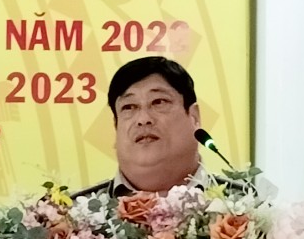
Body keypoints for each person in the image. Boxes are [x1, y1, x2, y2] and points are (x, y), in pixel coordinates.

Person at [75, 57, 209, 197]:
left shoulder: (226, 204)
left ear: (194, 117)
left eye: (158, 102)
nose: (143, 119)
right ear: (116, 126)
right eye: (129, 107)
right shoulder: (68, 209)